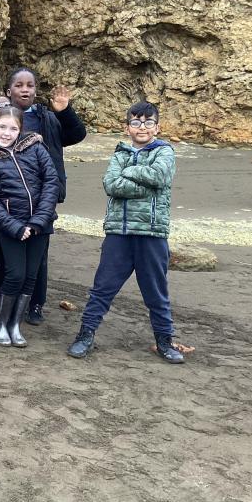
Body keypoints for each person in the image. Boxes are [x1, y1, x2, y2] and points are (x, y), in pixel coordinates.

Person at [68, 102, 184, 364]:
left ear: (157, 127)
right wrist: (145, 187)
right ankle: (85, 335)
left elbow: (159, 177)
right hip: (118, 232)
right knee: (102, 289)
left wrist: (130, 172)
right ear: (127, 127)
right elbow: (111, 184)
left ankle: (165, 341)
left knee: (156, 293)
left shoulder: (165, 151)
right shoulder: (120, 153)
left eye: (148, 122)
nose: (142, 127)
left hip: (152, 233)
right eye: (136, 122)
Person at [6, 67, 86, 325]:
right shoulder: (3, 120)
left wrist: (65, 111)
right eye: (19, 85)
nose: (25, 90)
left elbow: (76, 135)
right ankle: (5, 304)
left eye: (30, 85)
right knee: (7, 256)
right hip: (10, 198)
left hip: (43, 198)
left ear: (36, 90)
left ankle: (35, 305)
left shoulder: (48, 118)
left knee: (38, 258)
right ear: (9, 91)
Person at [0, 107, 60, 348]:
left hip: (40, 225)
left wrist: (38, 222)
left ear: (20, 130)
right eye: (2, 127)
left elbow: (51, 182)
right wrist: (14, 226)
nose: (7, 133)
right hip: (11, 226)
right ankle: (2, 324)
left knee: (31, 276)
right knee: (15, 274)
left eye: (13, 128)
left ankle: (16, 325)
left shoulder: (35, 148)